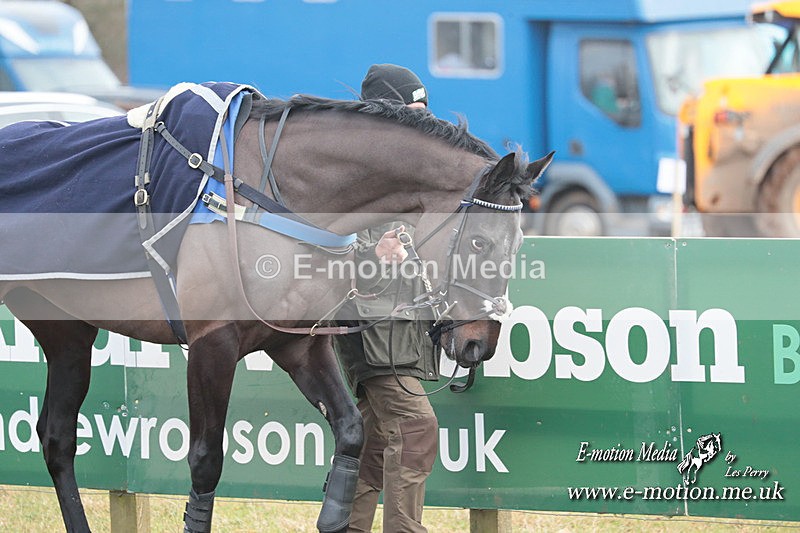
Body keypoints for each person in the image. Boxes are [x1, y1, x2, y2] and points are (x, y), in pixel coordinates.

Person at [333, 64, 439, 533]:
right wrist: (374, 254)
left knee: (373, 439)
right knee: (416, 428)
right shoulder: (353, 171)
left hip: (405, 331)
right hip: (369, 327)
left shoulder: (410, 169)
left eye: (426, 109)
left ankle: (346, 527)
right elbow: (321, 250)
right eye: (413, 111)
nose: (424, 119)